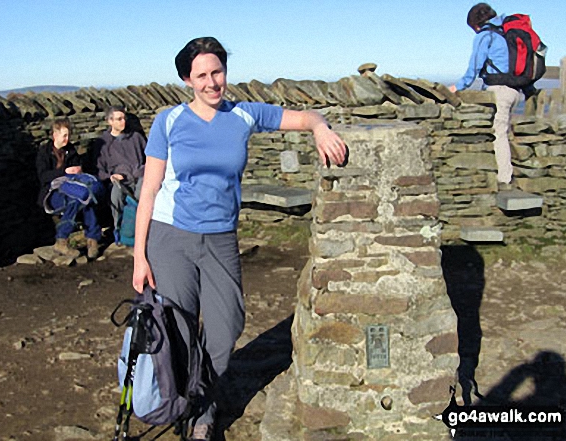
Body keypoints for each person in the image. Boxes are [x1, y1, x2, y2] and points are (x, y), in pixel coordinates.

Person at [132, 37, 347, 441]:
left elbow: (306, 117)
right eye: (202, 75)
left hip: (220, 239)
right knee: (177, 329)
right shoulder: (169, 121)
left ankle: (201, 397)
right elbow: (149, 190)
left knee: (225, 326)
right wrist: (139, 256)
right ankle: (195, 411)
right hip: (170, 236)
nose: (212, 82)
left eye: (218, 72)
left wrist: (320, 129)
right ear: (186, 80)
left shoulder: (244, 114)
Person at [449, 3, 521, 191]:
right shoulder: (504, 33)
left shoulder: (485, 36)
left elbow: (474, 66)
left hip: (499, 89)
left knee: (499, 134)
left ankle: (504, 180)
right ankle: (506, 172)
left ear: (475, 23)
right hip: (515, 90)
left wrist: (457, 87)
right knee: (504, 130)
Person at [36, 118, 101, 259]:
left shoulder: (70, 150)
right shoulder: (44, 152)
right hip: (51, 194)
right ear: (55, 135)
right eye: (64, 135)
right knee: (77, 199)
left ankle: (89, 240)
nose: (67, 138)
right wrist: (65, 171)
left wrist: (78, 170)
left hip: (71, 189)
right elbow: (43, 176)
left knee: (84, 198)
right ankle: (76, 238)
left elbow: (77, 173)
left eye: (68, 135)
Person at [95, 106, 146, 241]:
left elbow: (149, 160)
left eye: (124, 118)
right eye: (118, 119)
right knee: (115, 197)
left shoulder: (137, 138)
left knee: (143, 195)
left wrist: (141, 172)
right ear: (110, 121)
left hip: (139, 176)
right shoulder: (103, 142)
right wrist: (110, 176)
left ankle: (142, 233)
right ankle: (119, 231)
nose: (123, 122)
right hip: (118, 180)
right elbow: (99, 169)